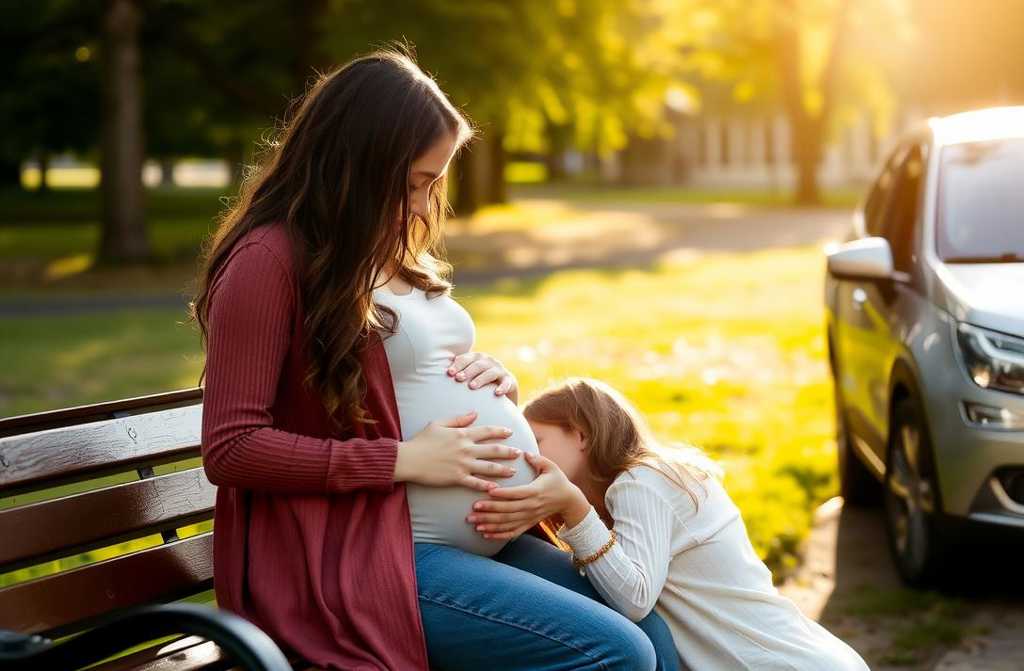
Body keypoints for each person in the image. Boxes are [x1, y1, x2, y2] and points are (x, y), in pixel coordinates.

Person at [191, 47, 678, 670]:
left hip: (452, 541)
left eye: (432, 184)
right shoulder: (267, 260)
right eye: (414, 184)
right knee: (616, 653)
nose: (424, 206)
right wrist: (403, 458)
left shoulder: (373, 248)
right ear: (358, 164)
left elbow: (398, 379)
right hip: (364, 558)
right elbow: (231, 448)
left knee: (651, 634)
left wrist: (496, 385)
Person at [468, 377, 870, 671]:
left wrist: (574, 508)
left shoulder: (642, 482)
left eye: (537, 441)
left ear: (581, 434)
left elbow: (634, 598)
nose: (530, 456)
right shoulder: (641, 485)